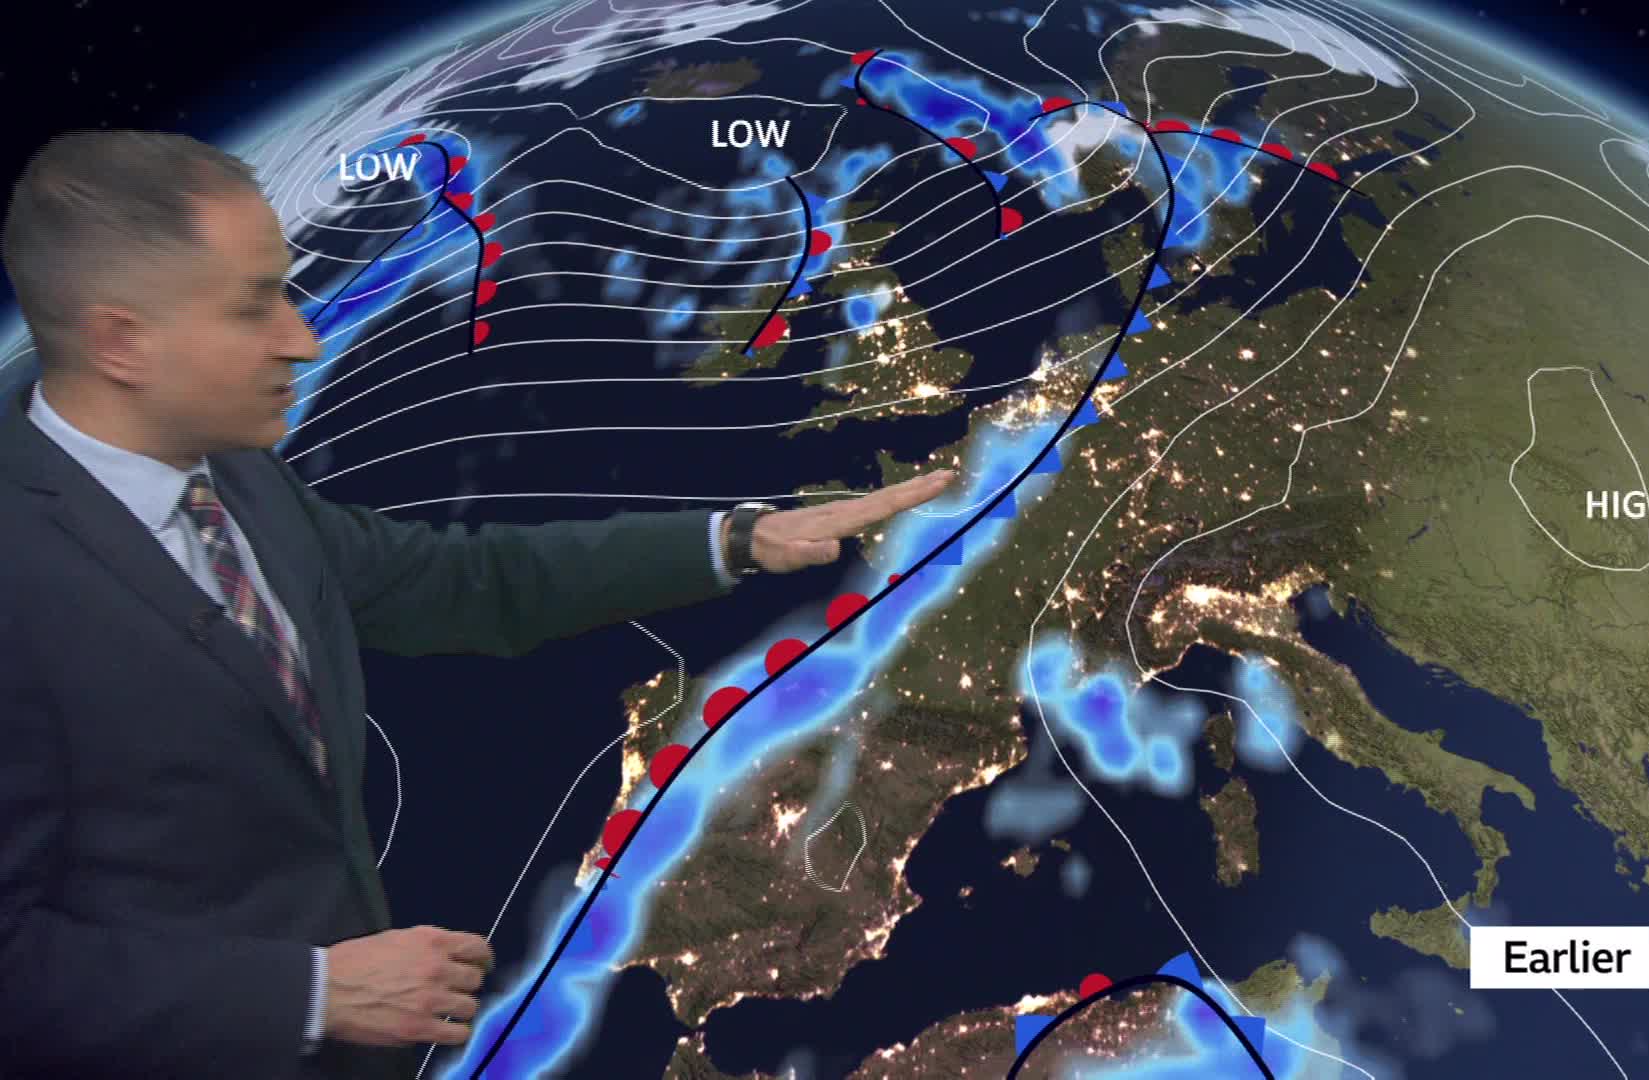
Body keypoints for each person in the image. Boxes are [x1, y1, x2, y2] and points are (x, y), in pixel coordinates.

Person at [0, 130, 956, 1078]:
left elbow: (460, 583)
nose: (301, 339)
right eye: (253, 308)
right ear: (121, 341)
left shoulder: (237, 479)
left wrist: (739, 539)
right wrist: (308, 995)